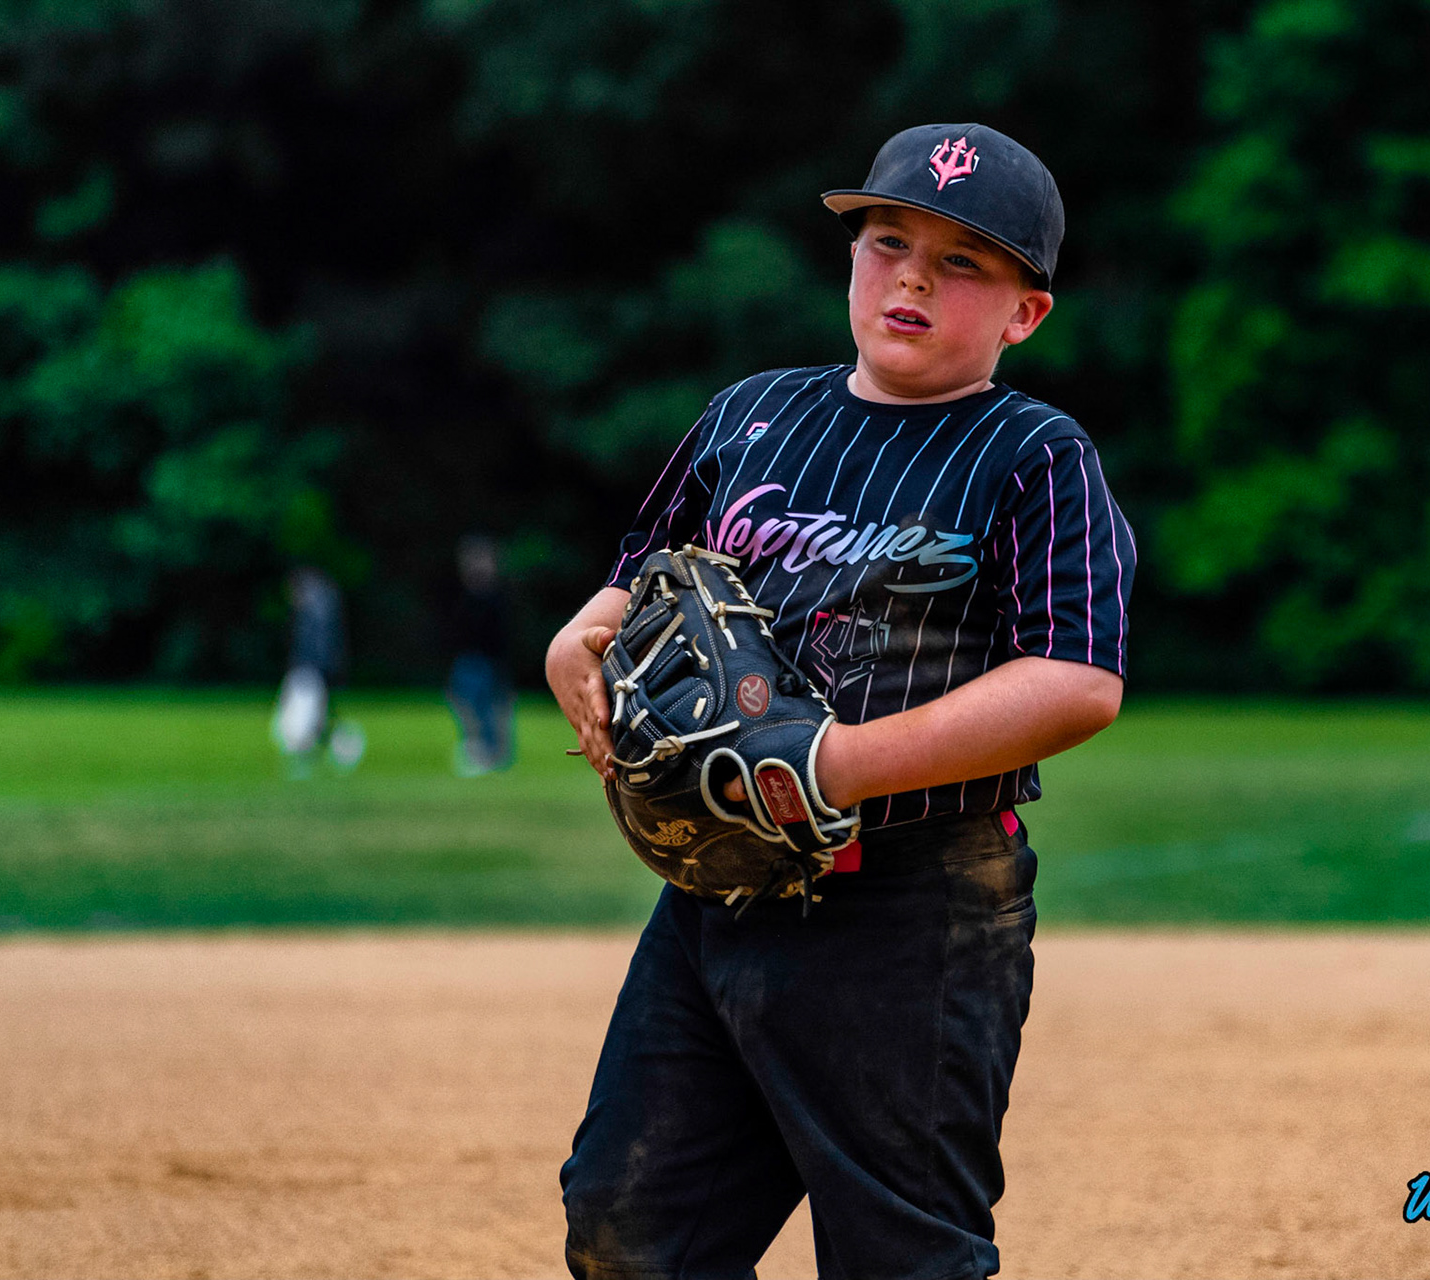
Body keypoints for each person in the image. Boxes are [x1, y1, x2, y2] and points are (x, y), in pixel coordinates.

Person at [547, 123, 1136, 1278]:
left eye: (964, 259)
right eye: (886, 239)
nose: (912, 273)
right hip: (718, 890)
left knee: (900, 1253)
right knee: (630, 1228)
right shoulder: (752, 415)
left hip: (915, 909)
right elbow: (639, 578)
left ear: (1026, 312)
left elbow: (1078, 676)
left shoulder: (1034, 455)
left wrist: (835, 762)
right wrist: (581, 632)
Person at [271, 565, 364, 775]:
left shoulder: (316, 608)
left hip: (310, 670)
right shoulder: (321, 604)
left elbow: (318, 645)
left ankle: (313, 756)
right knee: (315, 719)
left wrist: (317, 668)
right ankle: (329, 749)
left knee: (302, 720)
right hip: (310, 670)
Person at [444, 534, 515, 775]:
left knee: (490, 710)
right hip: (468, 661)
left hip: (489, 662)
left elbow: (501, 635)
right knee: (466, 707)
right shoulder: (465, 597)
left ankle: (493, 753)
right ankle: (476, 750)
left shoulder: (495, 598)